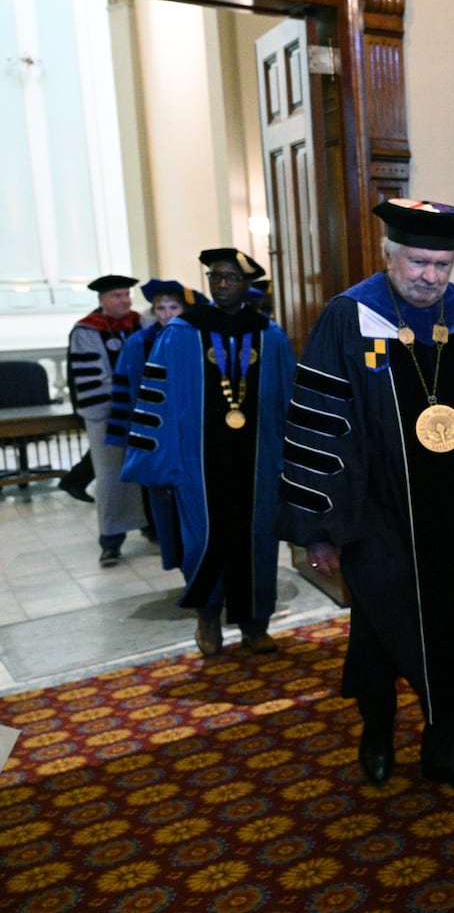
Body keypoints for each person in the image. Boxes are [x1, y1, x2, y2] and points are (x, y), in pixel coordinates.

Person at [276, 199, 454, 792]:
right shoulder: (349, 318)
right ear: (388, 256)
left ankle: (446, 751)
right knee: (381, 632)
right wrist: (321, 528)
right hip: (378, 517)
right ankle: (376, 730)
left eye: (442, 263)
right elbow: (319, 425)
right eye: (417, 261)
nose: (430, 276)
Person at [121, 249, 295, 655]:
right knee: (203, 540)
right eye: (215, 276)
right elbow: (157, 403)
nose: (221, 284)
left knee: (258, 541)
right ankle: (207, 618)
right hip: (198, 463)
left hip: (259, 462)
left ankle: (255, 623)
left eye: (230, 278)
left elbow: (288, 401)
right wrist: (162, 466)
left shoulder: (269, 334)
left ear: (246, 284)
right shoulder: (182, 332)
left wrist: (291, 462)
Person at [106, 279, 207, 569]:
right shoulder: (139, 343)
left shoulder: (199, 339)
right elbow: (127, 395)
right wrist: (131, 438)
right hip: (157, 436)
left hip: (193, 434)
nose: (166, 313)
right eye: (160, 307)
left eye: (173, 306)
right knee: (163, 502)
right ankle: (177, 557)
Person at [66, 275, 147, 564]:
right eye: (116, 295)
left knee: (149, 471)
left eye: (126, 294)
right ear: (101, 300)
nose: (124, 300)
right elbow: (93, 378)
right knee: (112, 476)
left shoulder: (140, 323)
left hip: (143, 411)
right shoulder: (87, 330)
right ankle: (111, 540)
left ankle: (152, 528)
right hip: (107, 414)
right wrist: (127, 399)